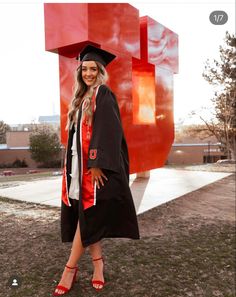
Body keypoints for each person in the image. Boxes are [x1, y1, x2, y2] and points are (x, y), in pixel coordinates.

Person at [53, 44, 140, 296]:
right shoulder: (81, 97)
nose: (88, 73)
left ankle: (69, 268)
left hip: (93, 168)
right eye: (85, 69)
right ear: (80, 72)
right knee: (85, 214)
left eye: (93, 69)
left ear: (100, 71)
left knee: (87, 215)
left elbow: (109, 130)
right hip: (77, 168)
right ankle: (98, 265)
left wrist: (97, 163)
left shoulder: (103, 93)